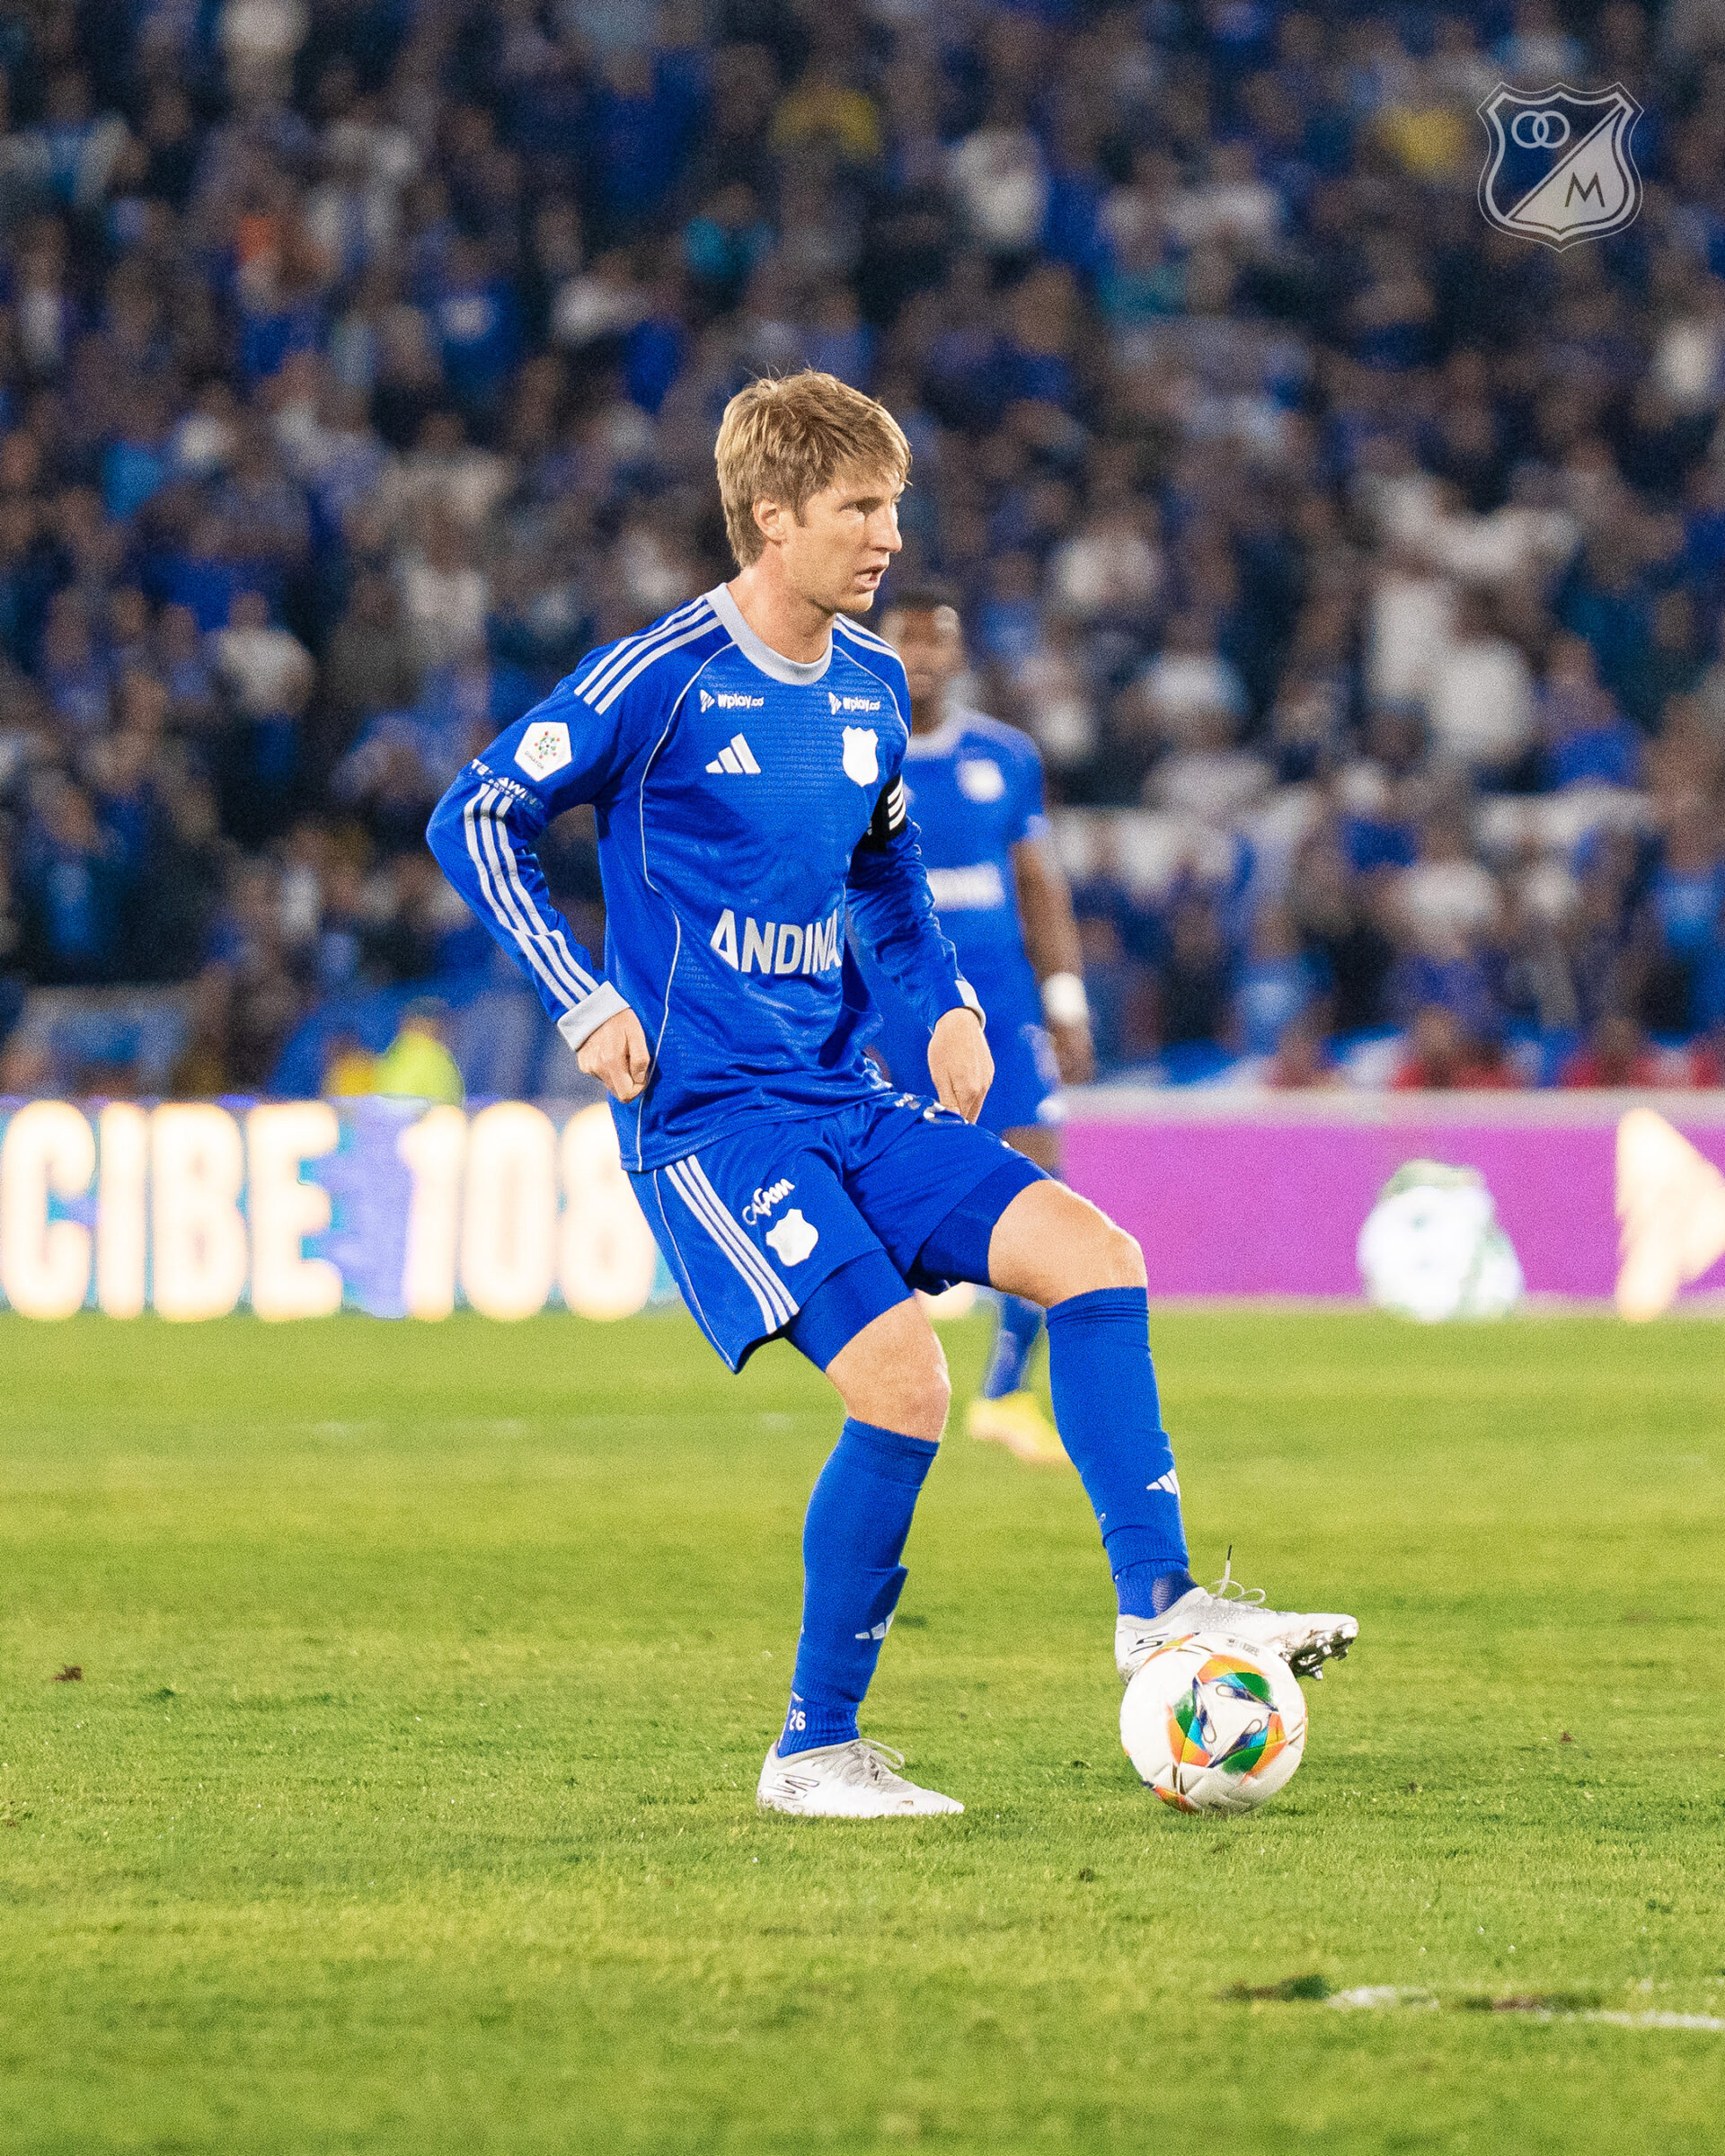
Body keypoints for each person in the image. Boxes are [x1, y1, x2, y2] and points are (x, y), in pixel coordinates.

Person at [427, 370, 1357, 1820]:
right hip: (713, 1121)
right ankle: (813, 1749)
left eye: (894, 506)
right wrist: (582, 995)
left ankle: (1159, 1608)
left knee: (1095, 1258)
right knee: (906, 1384)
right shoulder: (658, 677)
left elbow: (889, 876)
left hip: (841, 1092)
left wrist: (950, 1009)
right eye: (861, 508)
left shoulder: (869, 687)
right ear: (772, 515)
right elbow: (476, 812)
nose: (890, 537)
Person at [858, 589, 1093, 1466]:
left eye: (939, 641)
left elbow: (1039, 886)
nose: (924, 655)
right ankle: (884, 1387)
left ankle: (1003, 1393)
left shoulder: (1006, 755)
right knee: (881, 1202)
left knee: (1041, 1184)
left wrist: (1065, 1000)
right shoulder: (852, 752)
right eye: (908, 639)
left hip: (1002, 1003)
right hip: (896, 1007)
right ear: (879, 651)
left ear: (959, 656)